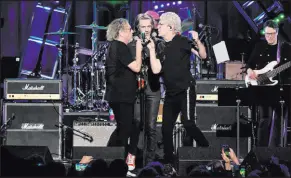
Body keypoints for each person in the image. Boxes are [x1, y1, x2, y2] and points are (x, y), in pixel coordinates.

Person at [147, 12, 209, 166]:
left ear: (170, 27)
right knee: (166, 129)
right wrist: (152, 50)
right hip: (170, 93)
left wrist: (197, 40)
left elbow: (203, 55)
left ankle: (207, 151)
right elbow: (156, 70)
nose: (157, 26)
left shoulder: (182, 41)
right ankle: (169, 162)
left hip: (185, 89)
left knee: (188, 123)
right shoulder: (161, 46)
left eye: (160, 24)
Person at [126, 13, 164, 171]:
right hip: (136, 88)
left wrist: (151, 49)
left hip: (153, 88)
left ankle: (149, 161)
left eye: (149, 26)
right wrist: (138, 48)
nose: (146, 30)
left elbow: (157, 70)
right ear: (137, 28)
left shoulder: (159, 44)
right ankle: (132, 154)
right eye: (143, 27)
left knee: (151, 126)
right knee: (136, 122)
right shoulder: (130, 45)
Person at [246, 19, 291, 147]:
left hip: (281, 89)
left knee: (279, 120)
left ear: (276, 33)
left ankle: (275, 152)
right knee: (264, 119)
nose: (269, 37)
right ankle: (261, 150)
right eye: (266, 34)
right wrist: (250, 71)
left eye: (271, 34)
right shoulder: (259, 46)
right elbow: (249, 64)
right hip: (262, 88)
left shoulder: (285, 47)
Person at [105, 18, 142, 152]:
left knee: (123, 128)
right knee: (125, 129)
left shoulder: (115, 46)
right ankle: (114, 158)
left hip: (119, 94)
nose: (132, 31)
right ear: (121, 32)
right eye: (129, 29)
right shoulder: (120, 46)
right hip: (121, 95)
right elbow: (137, 67)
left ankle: (109, 156)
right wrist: (138, 48)